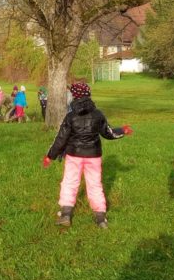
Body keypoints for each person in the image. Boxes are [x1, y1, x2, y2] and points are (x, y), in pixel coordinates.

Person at [43, 82, 132, 228]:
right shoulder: (98, 114)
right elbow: (108, 133)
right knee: (95, 184)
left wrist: (50, 156)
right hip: (93, 155)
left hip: (74, 155)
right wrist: (122, 130)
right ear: (88, 95)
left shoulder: (70, 116)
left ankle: (66, 214)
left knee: (70, 182)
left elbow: (61, 138)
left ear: (74, 96)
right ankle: (100, 218)